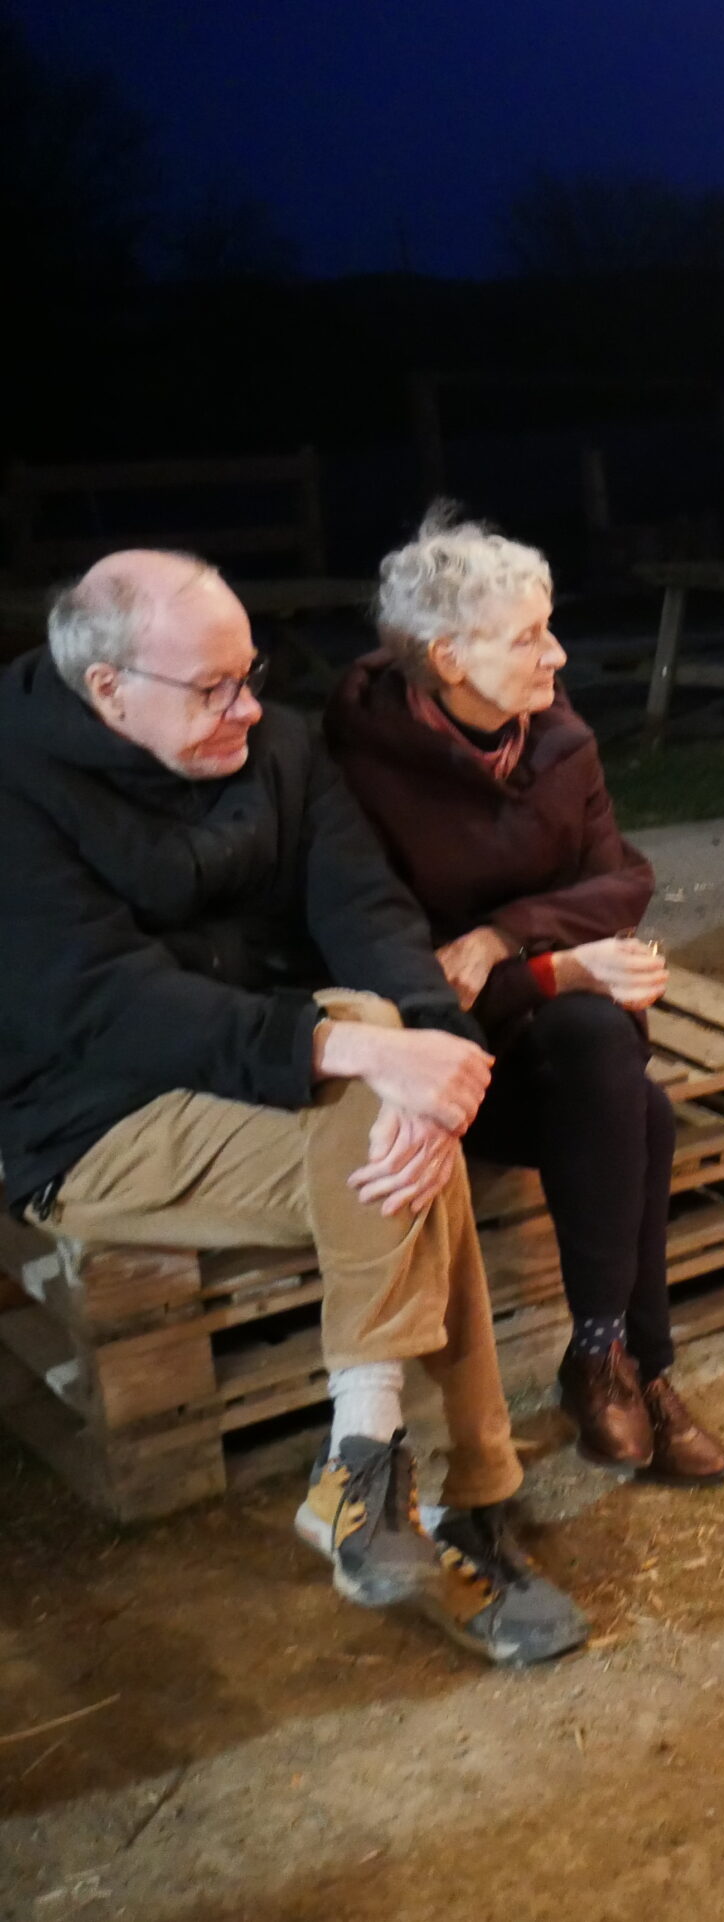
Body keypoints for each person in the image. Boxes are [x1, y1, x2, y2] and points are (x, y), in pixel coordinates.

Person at [0, 551, 585, 1664]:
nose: (248, 707)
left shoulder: (274, 749)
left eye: (251, 674)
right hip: (96, 1118)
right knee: (388, 1107)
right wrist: (357, 1047)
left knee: (401, 1126)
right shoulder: (15, 784)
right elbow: (103, 1002)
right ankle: (461, 1502)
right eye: (212, 688)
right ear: (110, 689)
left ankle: (366, 1469)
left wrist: (434, 1045)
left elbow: (365, 908)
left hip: (274, 1071)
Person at [327, 508, 724, 1485]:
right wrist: (554, 967)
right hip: (438, 1061)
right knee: (638, 1104)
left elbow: (621, 881)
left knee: (602, 1046)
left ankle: (606, 1356)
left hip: (554, 1042)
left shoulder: (556, 740)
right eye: (528, 637)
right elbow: (402, 964)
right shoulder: (356, 766)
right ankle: (639, 1366)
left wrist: (506, 935)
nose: (557, 655)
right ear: (448, 659)